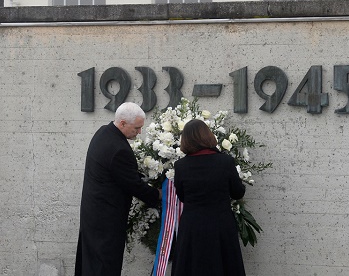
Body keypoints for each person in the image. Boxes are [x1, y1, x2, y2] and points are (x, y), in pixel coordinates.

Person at [75, 102, 161, 276]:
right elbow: (133, 184)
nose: (139, 132)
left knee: (91, 264)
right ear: (122, 123)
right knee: (104, 266)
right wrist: (158, 195)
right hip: (106, 221)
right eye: (136, 128)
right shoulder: (119, 149)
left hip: (93, 215)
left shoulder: (103, 133)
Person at [172, 119, 246, 276]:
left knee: (192, 267)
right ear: (208, 136)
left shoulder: (180, 166)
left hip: (192, 226)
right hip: (220, 224)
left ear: (185, 140)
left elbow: (182, 196)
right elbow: (237, 192)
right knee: (223, 265)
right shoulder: (225, 162)